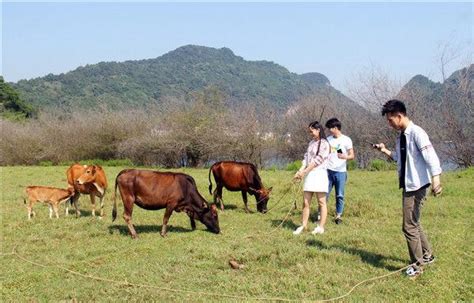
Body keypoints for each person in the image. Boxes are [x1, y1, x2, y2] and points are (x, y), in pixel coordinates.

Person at [374, 99, 442, 278]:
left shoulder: (417, 133)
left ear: (399, 115)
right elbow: (399, 158)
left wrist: (436, 180)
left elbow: (431, 157)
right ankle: (427, 256)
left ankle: (417, 266)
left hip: (416, 186)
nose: (389, 123)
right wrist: (384, 150)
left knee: (408, 226)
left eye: (390, 120)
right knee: (414, 223)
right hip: (409, 184)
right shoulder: (401, 136)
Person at [293, 121, 331, 235]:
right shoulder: (311, 143)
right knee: (305, 202)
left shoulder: (325, 144)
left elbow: (317, 160)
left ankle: (321, 227)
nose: (311, 134)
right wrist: (300, 170)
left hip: (319, 174)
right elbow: (306, 158)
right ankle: (303, 225)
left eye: (312, 131)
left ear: (318, 130)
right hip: (309, 174)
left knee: (321, 202)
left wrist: (304, 172)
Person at [325, 118, 354, 224]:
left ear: (336, 128)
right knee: (325, 193)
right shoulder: (328, 139)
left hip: (341, 172)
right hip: (328, 171)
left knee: (340, 194)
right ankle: (321, 214)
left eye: (330, 128)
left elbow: (352, 155)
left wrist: (345, 156)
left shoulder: (346, 140)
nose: (329, 130)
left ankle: (338, 215)